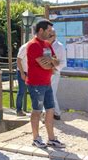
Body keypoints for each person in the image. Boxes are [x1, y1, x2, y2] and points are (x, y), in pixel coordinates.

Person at [26, 19, 65, 148]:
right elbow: (44, 65)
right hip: (36, 84)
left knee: (50, 110)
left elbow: (57, 62)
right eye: (48, 30)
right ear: (41, 30)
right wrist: (51, 64)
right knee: (37, 110)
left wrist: (50, 62)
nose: (50, 33)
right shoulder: (33, 45)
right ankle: (36, 138)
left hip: (47, 83)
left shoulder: (47, 45)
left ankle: (51, 138)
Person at [47, 29, 66, 120]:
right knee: (44, 93)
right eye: (48, 34)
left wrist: (54, 69)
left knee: (51, 93)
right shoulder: (44, 44)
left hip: (54, 74)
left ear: (55, 35)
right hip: (44, 73)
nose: (50, 36)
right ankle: (48, 114)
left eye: (51, 35)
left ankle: (57, 113)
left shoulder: (60, 46)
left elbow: (63, 62)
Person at [16, 42, 28, 117]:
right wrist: (22, 73)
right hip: (23, 72)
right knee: (21, 91)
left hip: (31, 72)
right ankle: (19, 110)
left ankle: (37, 111)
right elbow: (18, 60)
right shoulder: (25, 47)